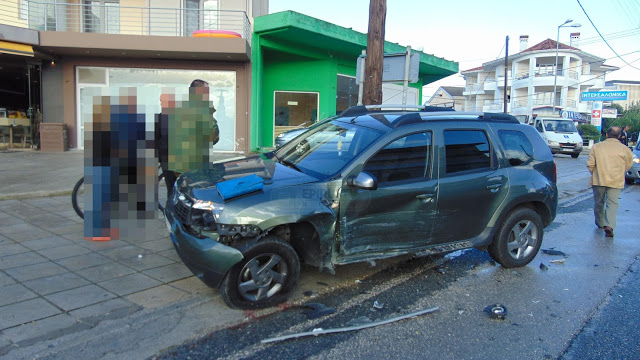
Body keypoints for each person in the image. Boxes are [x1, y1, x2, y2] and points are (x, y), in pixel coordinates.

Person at [586, 126, 633, 237]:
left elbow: (590, 164)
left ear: (607, 135)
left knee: (599, 202)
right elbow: (629, 164)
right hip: (616, 180)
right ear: (620, 136)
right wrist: (620, 171)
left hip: (599, 179)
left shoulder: (596, 147)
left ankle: (600, 223)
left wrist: (595, 172)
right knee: (612, 203)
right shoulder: (625, 149)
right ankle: (609, 225)